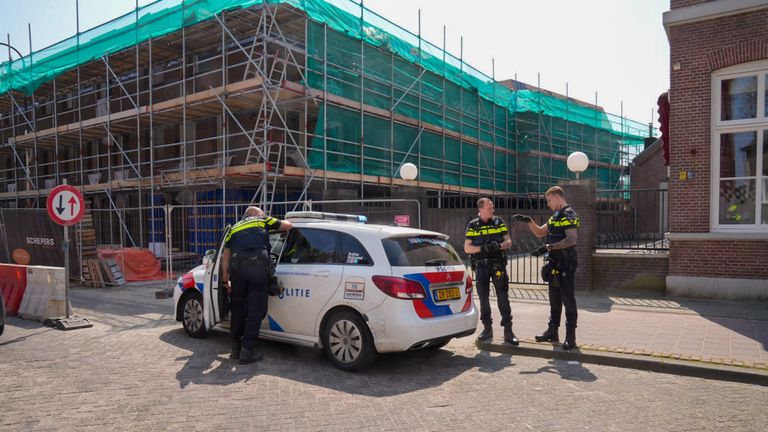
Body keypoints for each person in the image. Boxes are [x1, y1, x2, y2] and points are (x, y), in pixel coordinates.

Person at [220, 206, 292, 364]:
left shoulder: (233, 228)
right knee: (256, 310)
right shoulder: (262, 220)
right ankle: (247, 350)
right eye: (262, 213)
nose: (264, 215)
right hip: (257, 270)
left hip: (237, 272)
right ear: (256, 214)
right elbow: (288, 226)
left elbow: (225, 260)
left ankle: (236, 349)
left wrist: (225, 281)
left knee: (237, 309)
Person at [512, 186, 579, 350]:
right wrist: (529, 221)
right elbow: (541, 233)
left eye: (549, 200)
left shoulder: (569, 214)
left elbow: (572, 240)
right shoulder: (555, 216)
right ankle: (552, 332)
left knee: (568, 300)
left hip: (566, 263)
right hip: (554, 264)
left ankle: (571, 337)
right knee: (554, 300)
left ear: (557, 197)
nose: (548, 204)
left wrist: (548, 247)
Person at [464, 198, 518, 345]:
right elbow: (467, 248)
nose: (492, 210)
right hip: (481, 266)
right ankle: (487, 330)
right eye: (489, 208)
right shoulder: (473, 225)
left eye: (492, 208)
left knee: (503, 297)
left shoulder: (498, 222)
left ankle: (508, 331)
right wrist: (482, 248)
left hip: (498, 265)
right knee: (483, 298)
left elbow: (509, 242)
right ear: (481, 209)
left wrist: (498, 246)